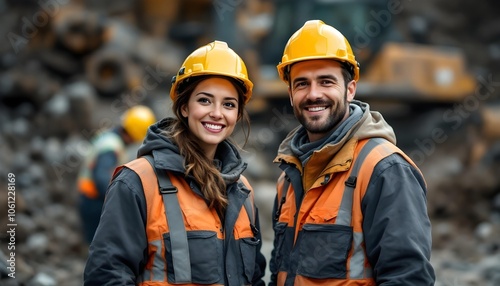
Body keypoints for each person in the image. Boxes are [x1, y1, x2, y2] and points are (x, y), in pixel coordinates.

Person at [83, 40, 267, 286]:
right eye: (204, 100)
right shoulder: (138, 181)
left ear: (237, 115)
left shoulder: (243, 192)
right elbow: (106, 276)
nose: (217, 112)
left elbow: (254, 278)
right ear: (183, 107)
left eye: (229, 104)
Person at [269, 20, 436, 285]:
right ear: (290, 94)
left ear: (350, 89)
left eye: (326, 81)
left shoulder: (384, 169)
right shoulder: (288, 178)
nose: (313, 94)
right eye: (302, 84)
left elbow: (408, 277)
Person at [77, 105, 156, 244]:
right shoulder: (112, 146)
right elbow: (101, 177)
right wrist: (118, 200)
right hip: (94, 201)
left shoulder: (109, 137)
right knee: (99, 244)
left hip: (89, 197)